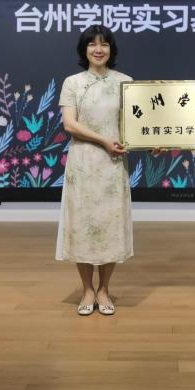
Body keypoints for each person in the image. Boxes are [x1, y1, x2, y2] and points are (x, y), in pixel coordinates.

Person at [56, 25, 132, 316]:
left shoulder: (125, 82)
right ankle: (87, 289)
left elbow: (134, 125)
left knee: (110, 226)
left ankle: (104, 289)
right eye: (92, 44)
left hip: (113, 166)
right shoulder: (73, 83)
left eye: (104, 44)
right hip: (84, 164)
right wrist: (103, 140)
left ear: (111, 49)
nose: (98, 50)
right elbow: (70, 124)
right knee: (83, 227)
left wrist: (152, 144)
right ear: (84, 49)